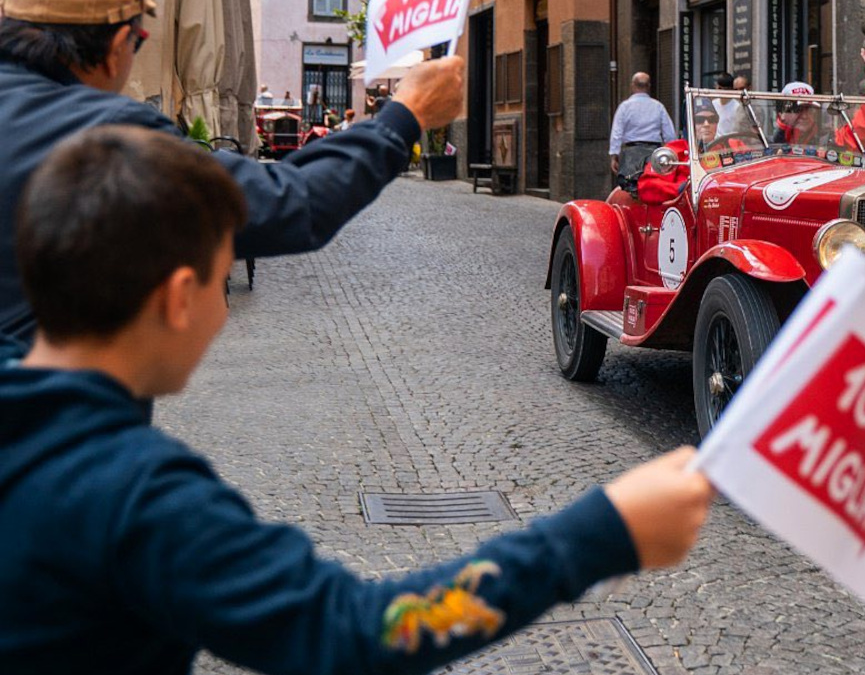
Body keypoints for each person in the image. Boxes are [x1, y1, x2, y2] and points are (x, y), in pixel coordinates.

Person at [0, 125, 716, 675]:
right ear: (177, 298)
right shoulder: (142, 500)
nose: (223, 314)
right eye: (222, 282)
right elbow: (361, 632)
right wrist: (598, 536)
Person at [0, 0, 464, 344]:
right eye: (139, 43)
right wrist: (406, 113)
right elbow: (295, 203)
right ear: (119, 45)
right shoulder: (108, 139)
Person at [608, 71, 676, 175]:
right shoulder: (658, 106)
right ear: (648, 86)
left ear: (632, 86)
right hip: (653, 153)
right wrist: (671, 153)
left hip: (631, 153)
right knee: (652, 181)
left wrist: (614, 155)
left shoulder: (624, 107)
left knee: (630, 181)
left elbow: (617, 133)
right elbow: (669, 134)